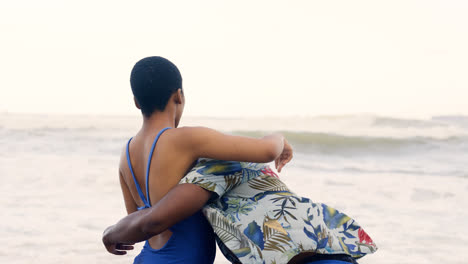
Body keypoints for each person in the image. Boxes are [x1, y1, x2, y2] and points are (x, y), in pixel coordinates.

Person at [104, 56, 377, 264]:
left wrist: (111, 233)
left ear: (136, 102)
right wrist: (279, 138)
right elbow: (265, 152)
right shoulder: (185, 139)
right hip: (184, 258)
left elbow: (138, 218)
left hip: (151, 256)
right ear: (179, 95)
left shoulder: (125, 155)